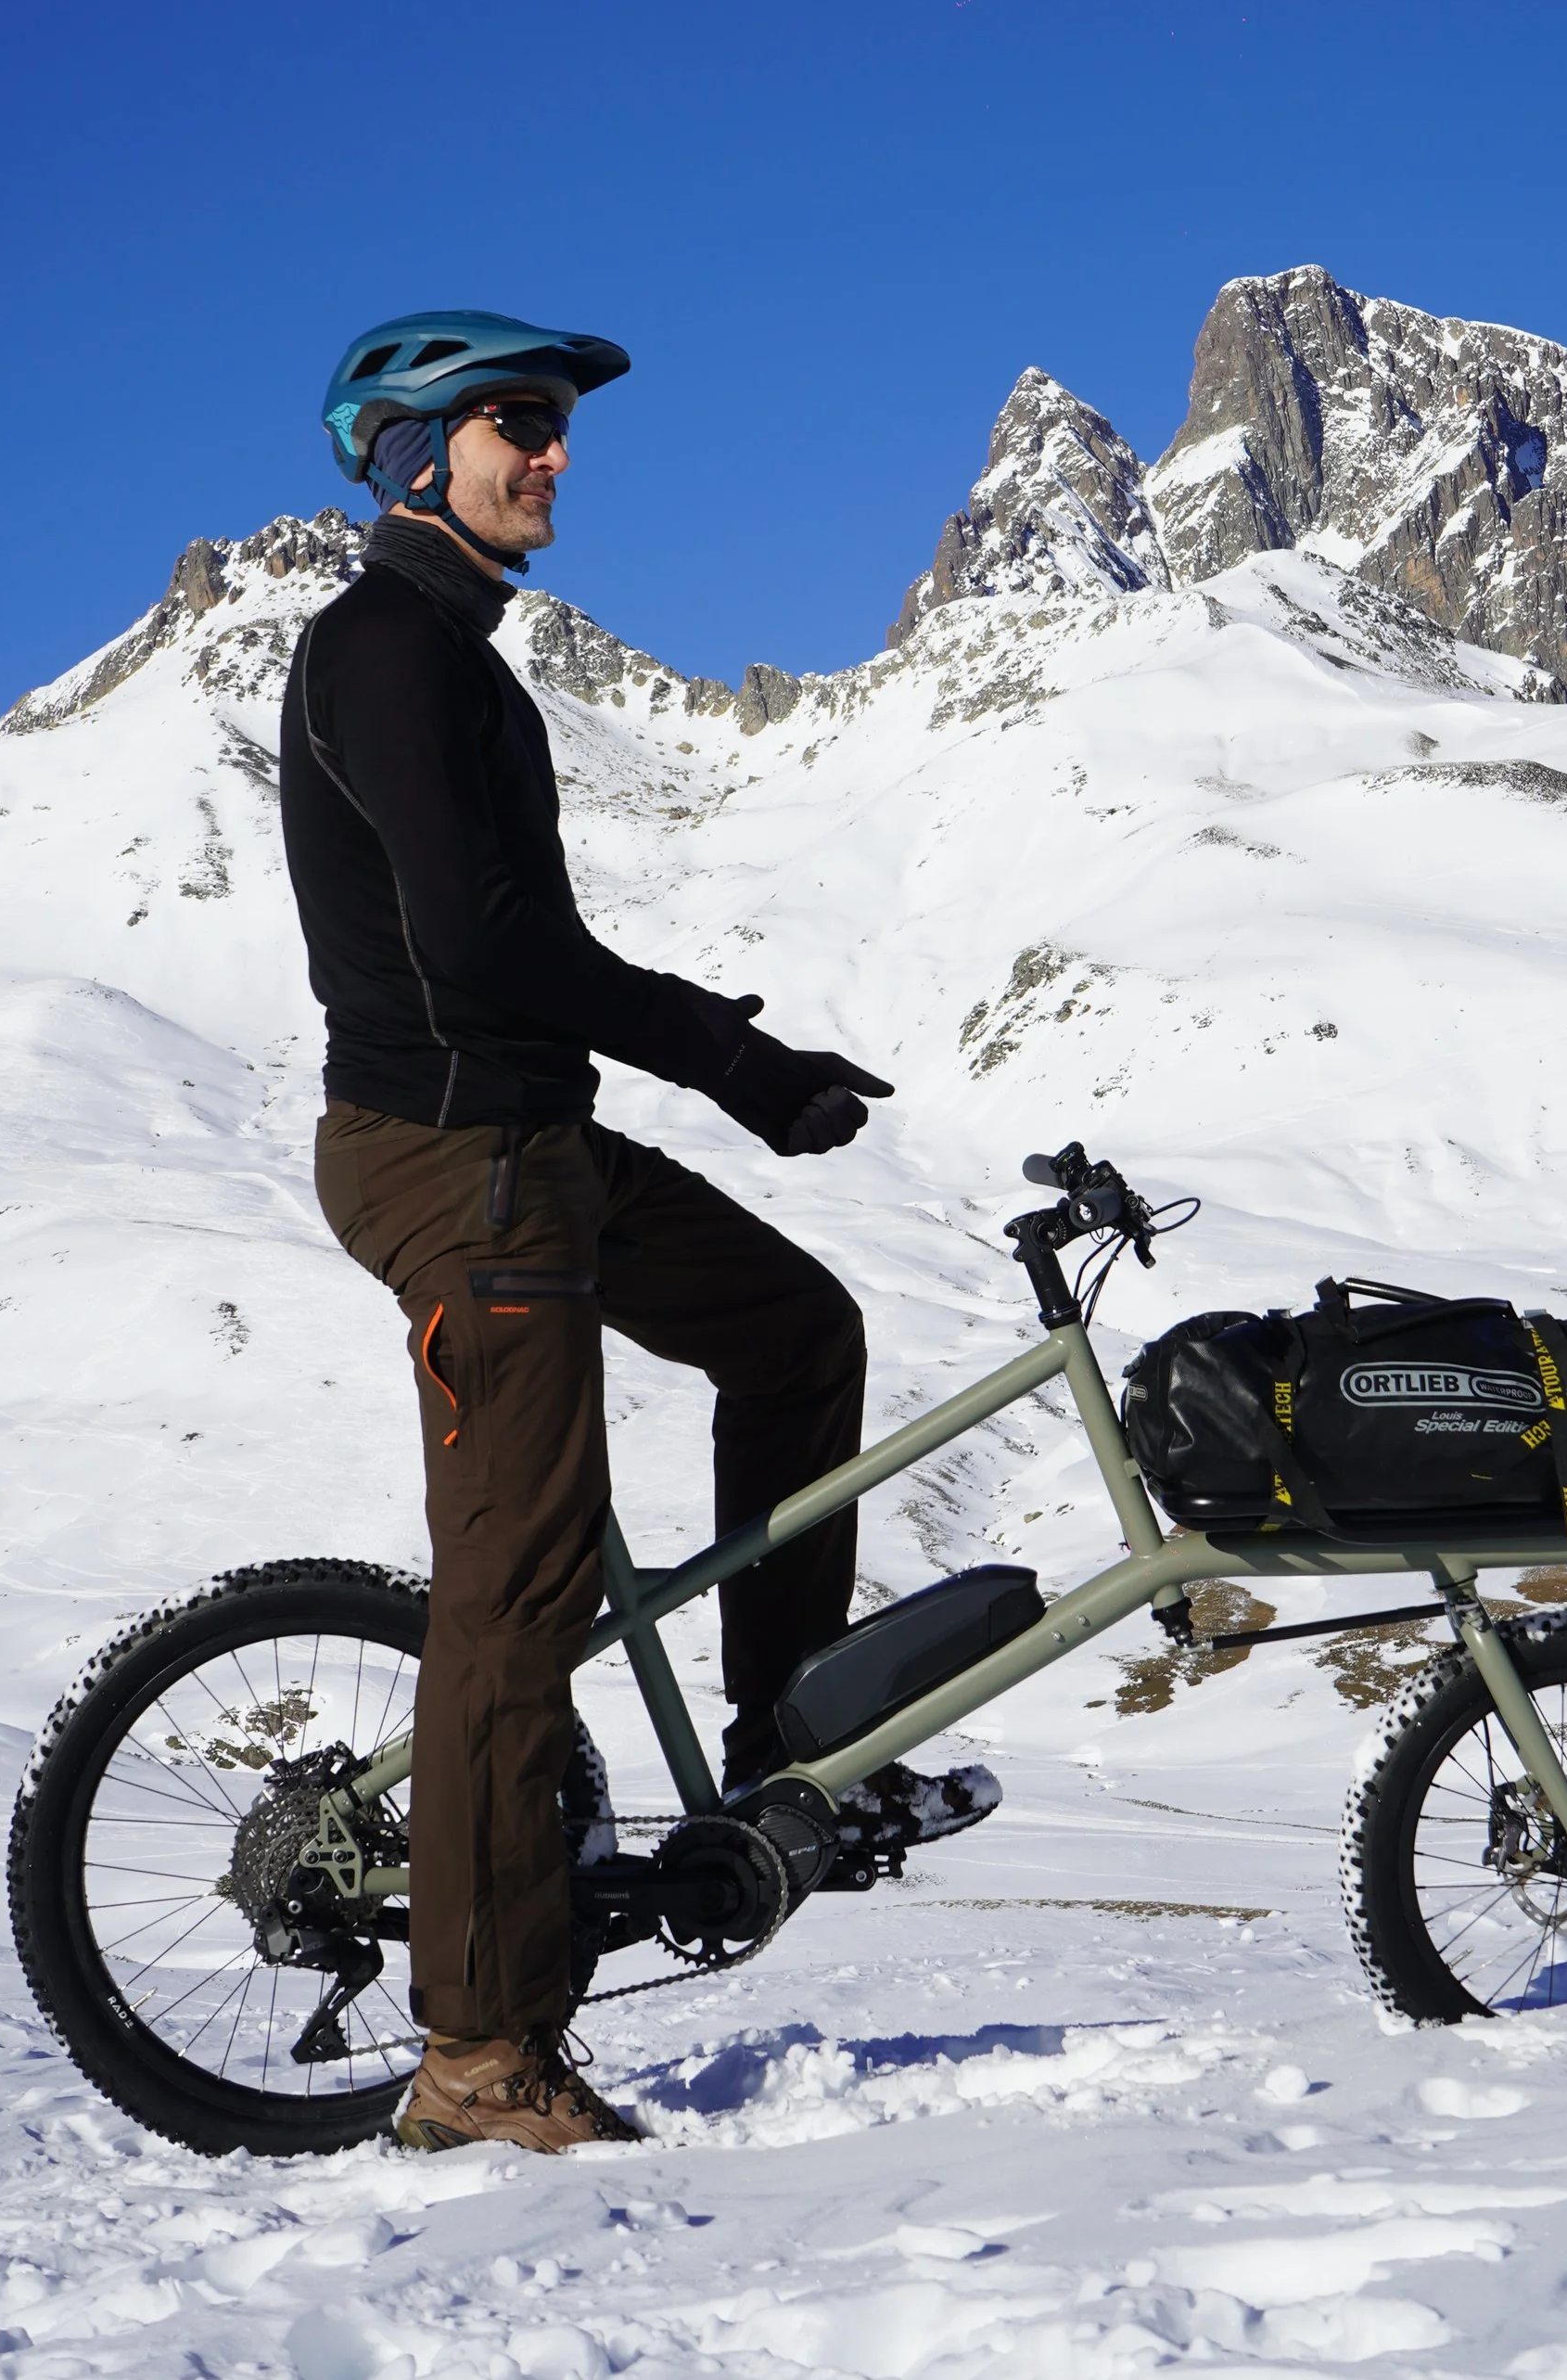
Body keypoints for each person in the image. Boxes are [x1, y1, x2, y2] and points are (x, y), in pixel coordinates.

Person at [278, 312, 998, 2154]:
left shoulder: (453, 657)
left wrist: (731, 1060)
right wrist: (732, 1059)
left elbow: (504, 951)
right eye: (521, 421)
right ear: (416, 452)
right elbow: (484, 947)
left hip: (534, 1140)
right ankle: (477, 2055)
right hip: (463, 1166)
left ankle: (782, 1743)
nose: (557, 453)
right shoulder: (388, 655)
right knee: (514, 1602)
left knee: (794, 1327)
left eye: (557, 424)